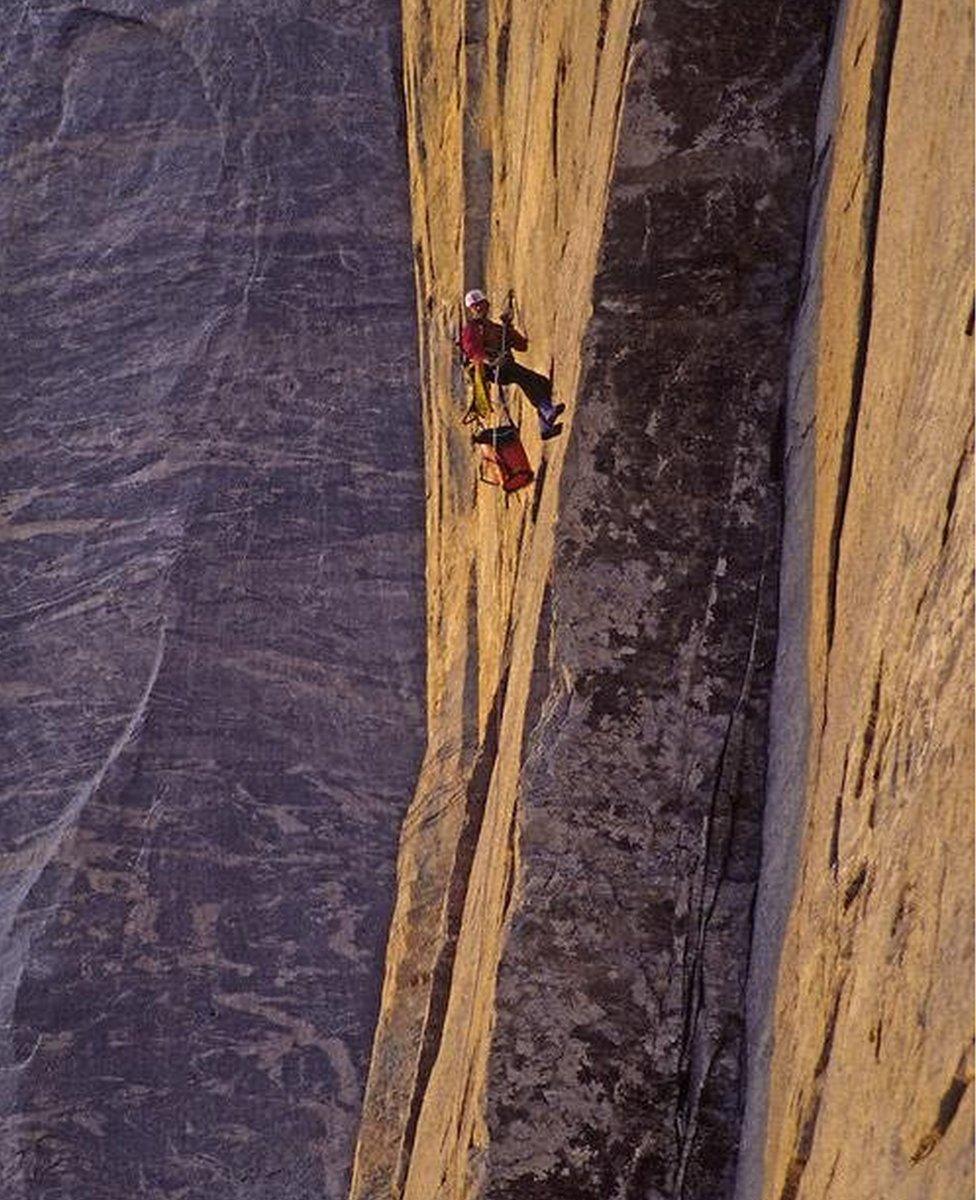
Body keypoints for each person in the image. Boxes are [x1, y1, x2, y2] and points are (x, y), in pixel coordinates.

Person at [460, 289, 565, 437]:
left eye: (480, 304)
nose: (478, 308)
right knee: (522, 376)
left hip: (505, 366)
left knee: (542, 382)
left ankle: (545, 426)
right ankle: (546, 411)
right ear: (470, 310)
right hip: (492, 369)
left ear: (487, 304)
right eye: (474, 306)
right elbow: (473, 350)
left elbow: (522, 346)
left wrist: (508, 327)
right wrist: (491, 361)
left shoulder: (496, 328)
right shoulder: (471, 329)